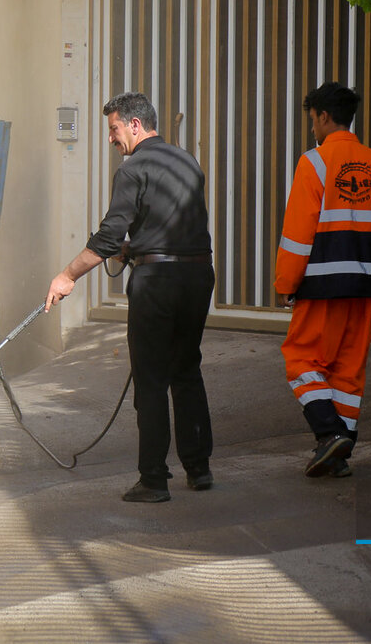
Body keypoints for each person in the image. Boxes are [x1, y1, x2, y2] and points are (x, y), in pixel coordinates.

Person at [46, 92, 215, 503]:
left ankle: (154, 480)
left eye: (113, 128)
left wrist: (66, 276)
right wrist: (135, 248)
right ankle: (199, 469)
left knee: (152, 379)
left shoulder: (132, 168)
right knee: (187, 369)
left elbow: (108, 235)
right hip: (197, 275)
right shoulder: (187, 161)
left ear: (134, 125)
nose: (111, 139)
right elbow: (171, 224)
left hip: (157, 282)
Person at [275, 82, 371, 478]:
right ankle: (337, 454)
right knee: (347, 371)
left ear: (324, 117)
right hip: (365, 284)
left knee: (301, 361)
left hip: (321, 285)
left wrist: (286, 284)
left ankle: (328, 435)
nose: (312, 128)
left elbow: (298, 232)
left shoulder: (313, 163)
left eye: (313, 119)